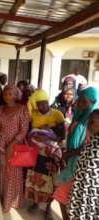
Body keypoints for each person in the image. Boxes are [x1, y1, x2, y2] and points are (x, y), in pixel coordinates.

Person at [0, 85, 30, 213]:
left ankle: (10, 202)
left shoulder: (22, 109)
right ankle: (5, 200)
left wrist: (12, 145)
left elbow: (23, 130)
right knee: (3, 173)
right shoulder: (1, 109)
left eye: (10, 93)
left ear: (16, 94)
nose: (7, 96)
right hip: (3, 143)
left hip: (15, 145)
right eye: (5, 94)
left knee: (12, 173)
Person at [53, 87, 98, 220]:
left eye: (85, 102)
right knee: (66, 197)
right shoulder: (80, 116)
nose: (80, 104)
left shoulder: (91, 119)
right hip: (74, 162)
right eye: (80, 101)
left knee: (63, 195)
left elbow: (85, 146)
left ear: (93, 102)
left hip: (80, 167)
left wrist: (68, 154)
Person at [25, 90, 65, 219]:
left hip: (50, 153)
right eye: (39, 104)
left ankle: (48, 208)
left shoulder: (57, 115)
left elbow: (62, 136)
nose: (41, 107)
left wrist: (48, 136)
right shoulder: (34, 115)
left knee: (50, 180)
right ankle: (35, 203)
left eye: (44, 104)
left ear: (48, 102)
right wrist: (36, 135)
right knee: (35, 177)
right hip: (36, 152)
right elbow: (30, 131)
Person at [67, 109, 99, 219]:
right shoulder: (93, 140)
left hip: (91, 192)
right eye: (89, 120)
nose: (88, 124)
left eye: (92, 122)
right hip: (80, 187)